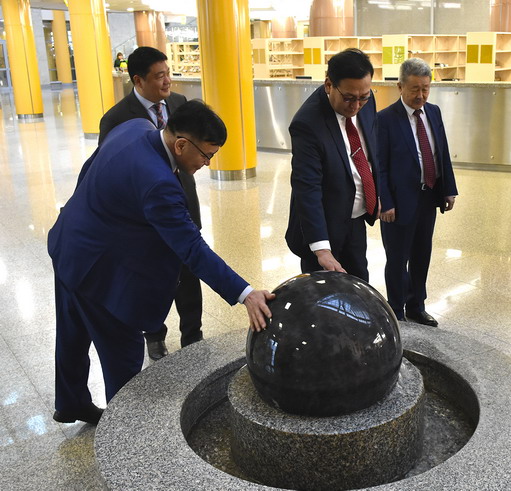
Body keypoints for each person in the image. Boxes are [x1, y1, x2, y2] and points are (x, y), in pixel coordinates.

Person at [48, 100, 275, 426]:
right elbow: (192, 250)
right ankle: (123, 436)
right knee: (122, 358)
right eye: (206, 155)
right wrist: (245, 293)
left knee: (71, 337)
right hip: (102, 275)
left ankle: (70, 403)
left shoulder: (135, 128)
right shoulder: (158, 182)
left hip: (69, 244)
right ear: (181, 144)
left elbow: (90, 170)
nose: (207, 164)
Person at [100, 46, 200, 361]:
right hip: (144, 216)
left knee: (189, 269)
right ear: (138, 80)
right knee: (152, 277)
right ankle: (154, 335)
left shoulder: (180, 104)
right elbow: (112, 172)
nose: (168, 81)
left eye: (168, 73)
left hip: (183, 204)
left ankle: (193, 336)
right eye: (160, 76)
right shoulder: (116, 118)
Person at [285, 49, 380, 282]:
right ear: (329, 84)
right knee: (324, 296)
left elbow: (371, 153)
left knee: (359, 283)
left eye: (363, 97)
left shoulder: (365, 99)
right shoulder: (307, 124)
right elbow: (307, 188)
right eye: (349, 98)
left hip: (355, 218)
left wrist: (376, 196)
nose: (357, 105)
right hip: (322, 226)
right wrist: (321, 249)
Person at [377, 58, 458, 326]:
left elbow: (441, 151)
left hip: (428, 195)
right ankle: (396, 310)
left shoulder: (433, 112)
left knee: (422, 254)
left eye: (425, 88)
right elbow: (380, 166)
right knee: (398, 258)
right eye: (414, 89)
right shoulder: (385, 119)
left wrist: (448, 189)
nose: (420, 95)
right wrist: (385, 202)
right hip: (398, 202)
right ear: (400, 86)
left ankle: (416, 305)